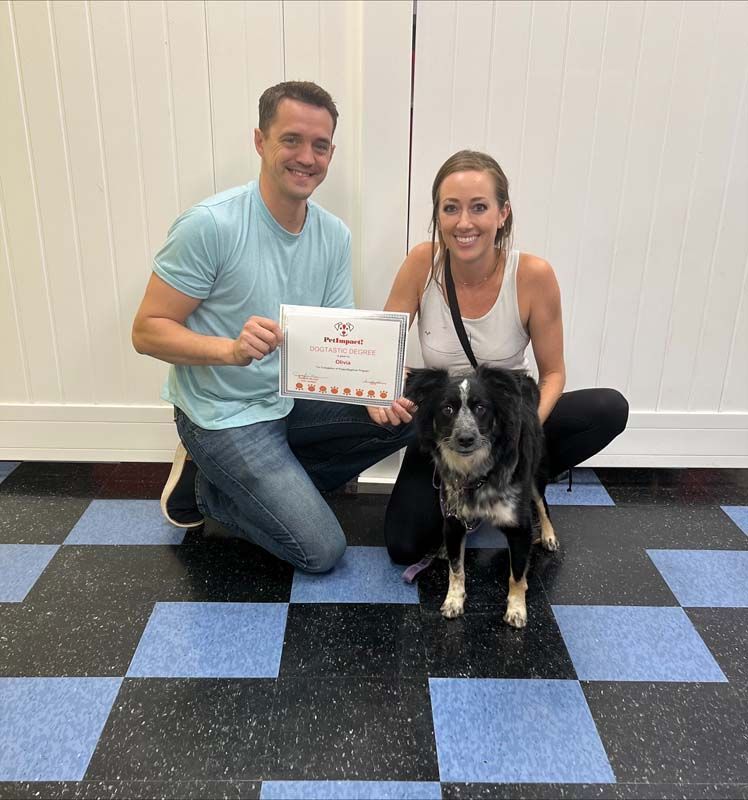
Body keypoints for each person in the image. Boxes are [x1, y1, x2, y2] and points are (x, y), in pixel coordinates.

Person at [132, 81, 414, 573]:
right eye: (291, 140)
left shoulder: (333, 234)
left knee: (412, 409)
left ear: (331, 152)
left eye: (320, 145)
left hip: (291, 396)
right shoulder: (210, 225)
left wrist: (370, 389)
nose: (307, 157)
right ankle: (208, 490)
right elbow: (147, 330)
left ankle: (266, 485)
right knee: (322, 551)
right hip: (224, 413)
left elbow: (335, 337)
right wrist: (230, 351)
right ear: (260, 141)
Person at [381, 150, 629, 564]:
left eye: (479, 207)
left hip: (505, 424)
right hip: (449, 429)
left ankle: (517, 484)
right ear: (437, 215)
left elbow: (553, 374)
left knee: (607, 408)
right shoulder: (421, 263)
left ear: (502, 213)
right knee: (404, 546)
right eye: (451, 208)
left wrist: (520, 433)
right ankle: (471, 494)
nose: (464, 223)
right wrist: (387, 389)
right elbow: (381, 350)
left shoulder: (533, 275)